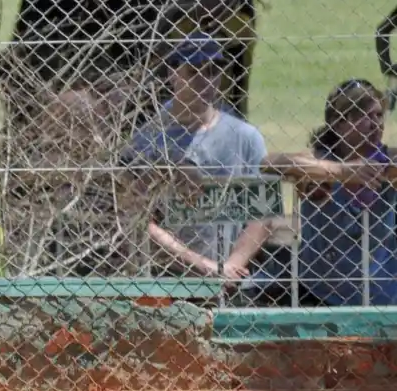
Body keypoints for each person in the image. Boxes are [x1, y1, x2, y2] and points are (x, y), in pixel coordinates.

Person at [121, 33, 271, 280]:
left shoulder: (244, 136)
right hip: (164, 278)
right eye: (194, 71)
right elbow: (136, 218)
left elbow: (263, 217)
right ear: (173, 74)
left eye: (213, 71)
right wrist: (203, 266)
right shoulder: (147, 139)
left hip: (231, 277)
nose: (205, 80)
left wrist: (230, 267)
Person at [246, 79, 397, 305]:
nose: (375, 124)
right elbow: (268, 163)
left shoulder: (390, 161)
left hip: (382, 293)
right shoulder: (317, 162)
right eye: (364, 116)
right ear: (338, 124)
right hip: (320, 292)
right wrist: (340, 172)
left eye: (378, 115)